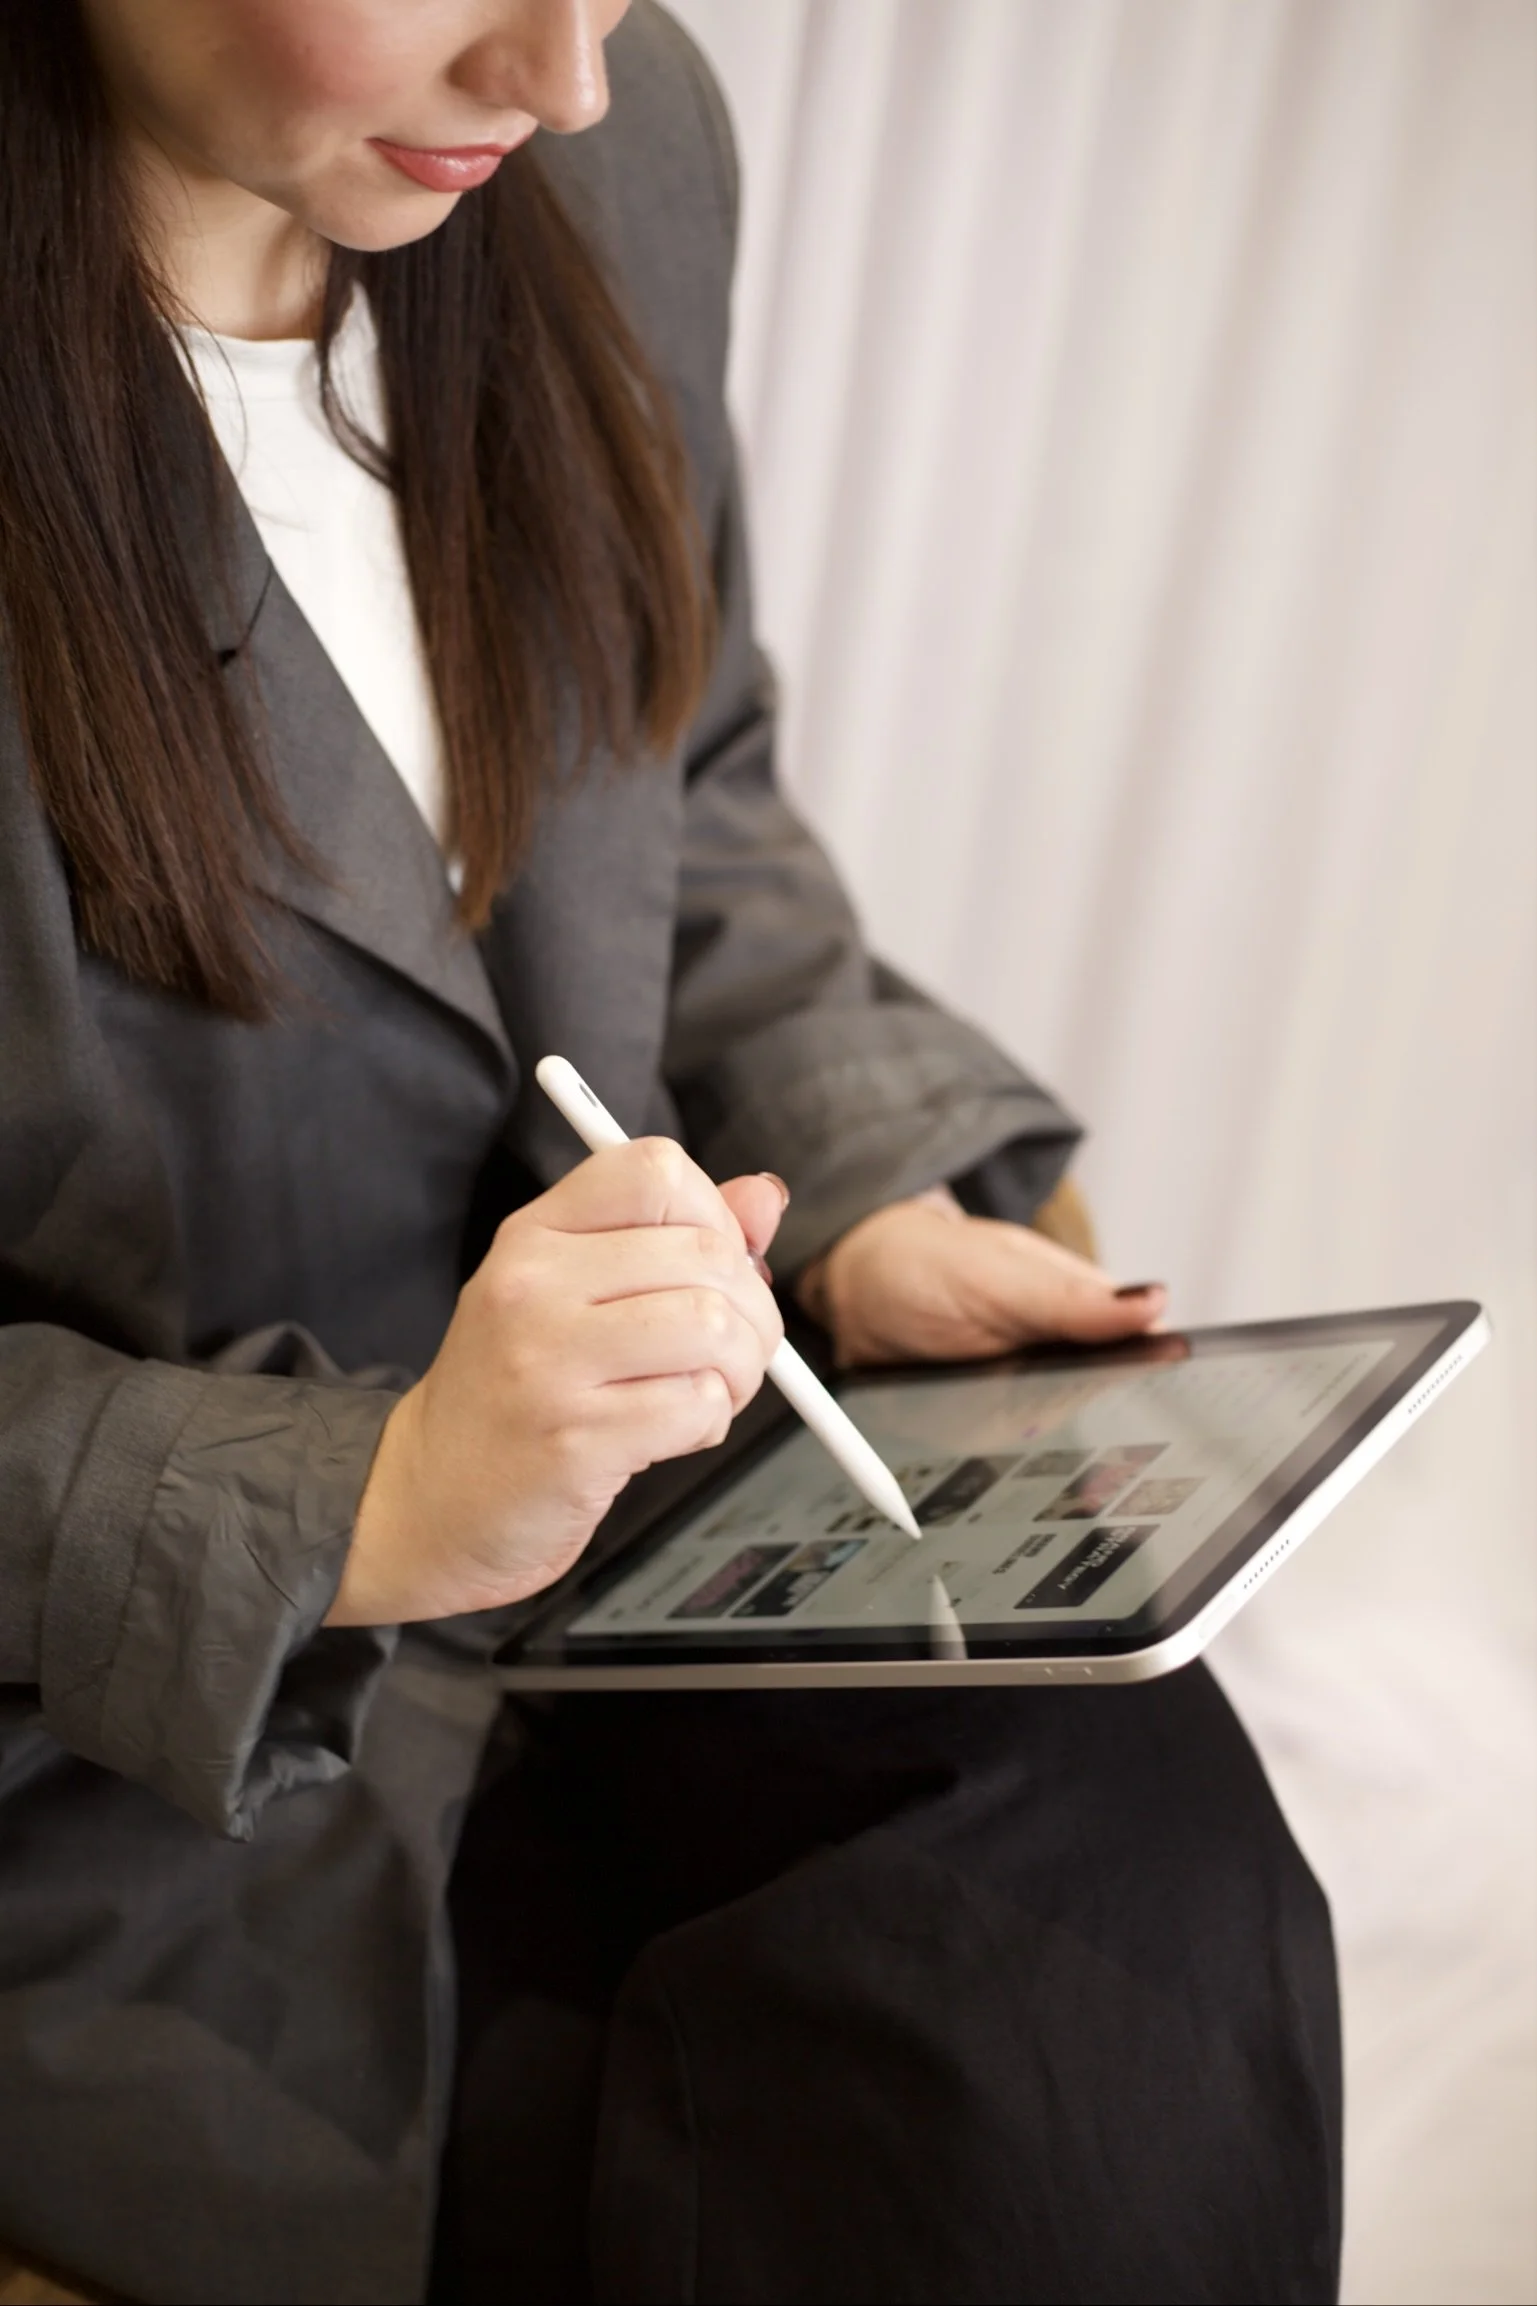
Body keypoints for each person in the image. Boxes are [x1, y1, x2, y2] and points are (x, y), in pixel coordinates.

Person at [0, 2, 1342, 2299]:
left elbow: (680, 775)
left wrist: (862, 1176)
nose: (575, 72)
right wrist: (377, 1502)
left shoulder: (605, 169)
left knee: (1127, 1901)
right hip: (153, 1802)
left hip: (635, 1538)